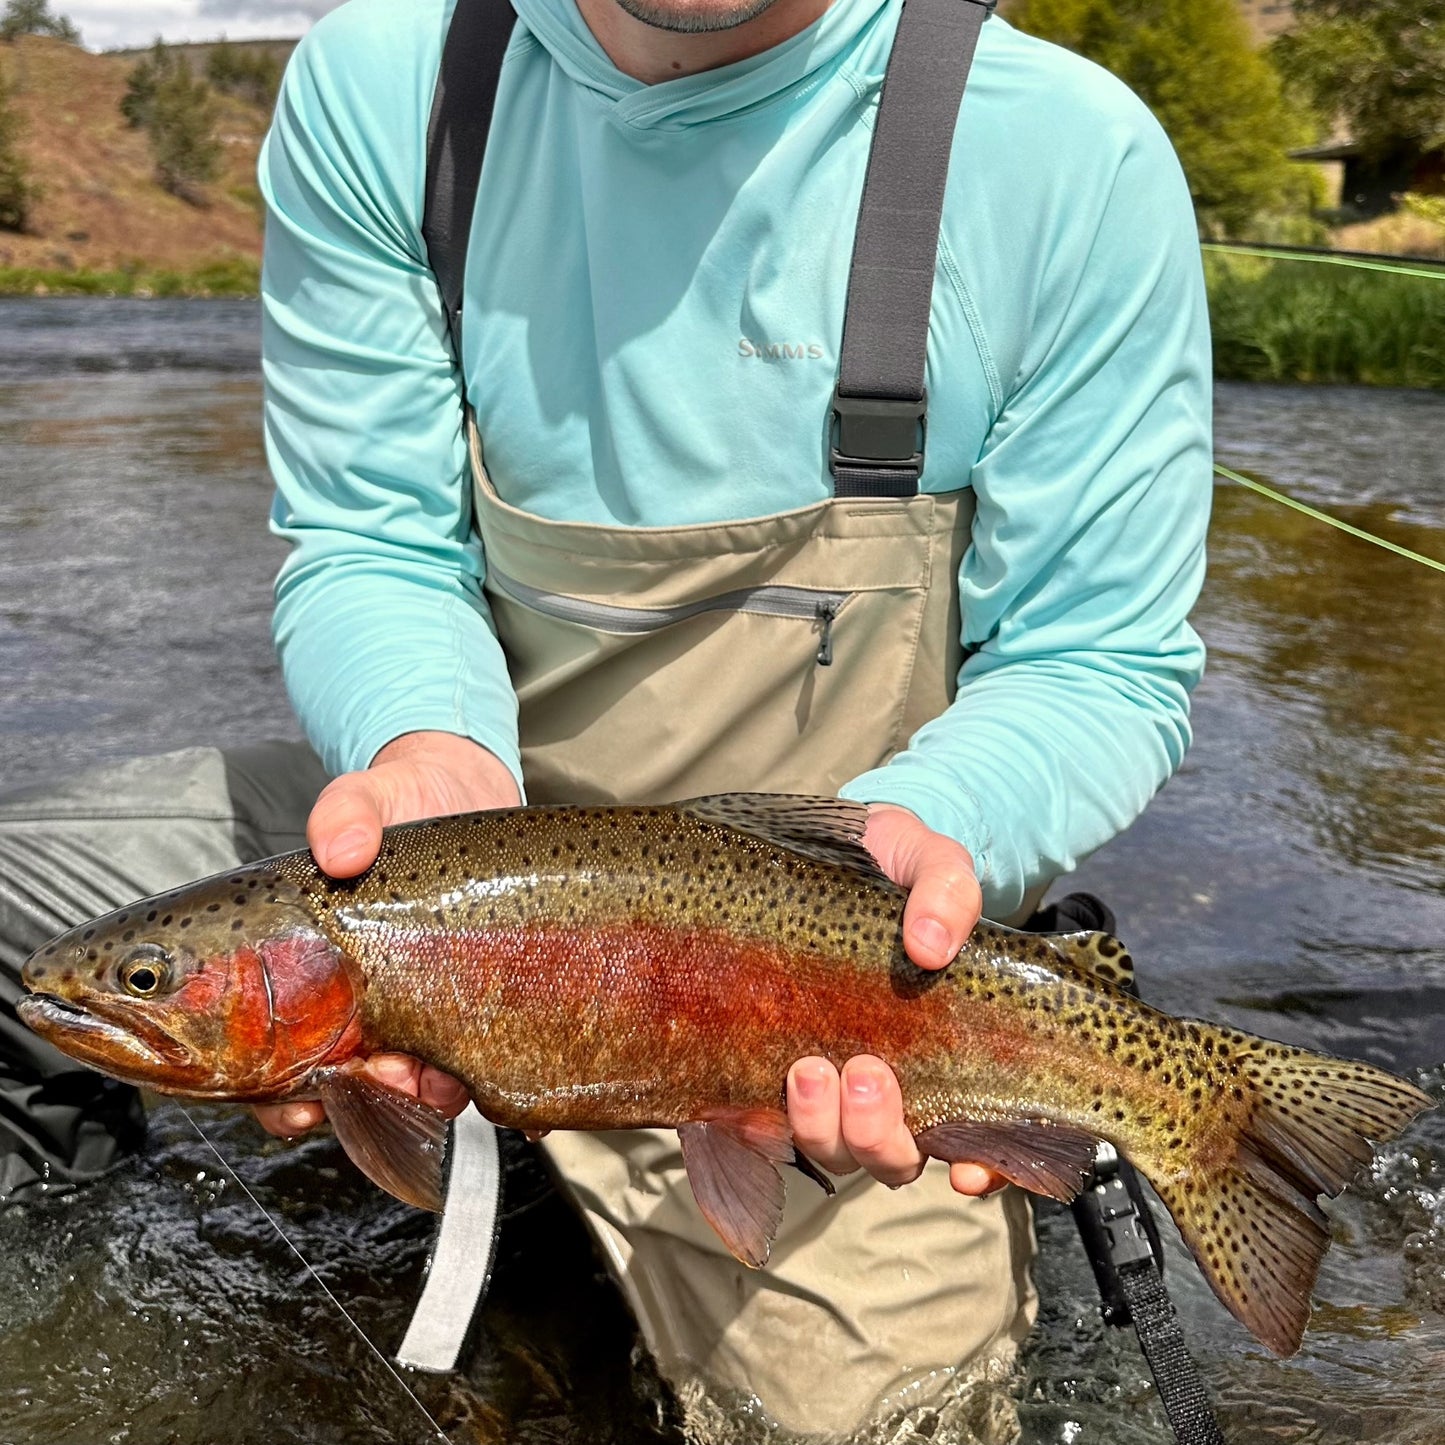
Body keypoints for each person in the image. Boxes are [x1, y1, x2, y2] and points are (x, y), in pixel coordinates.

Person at [0, 0, 1211, 1434]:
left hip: (839, 928)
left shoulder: (1061, 155)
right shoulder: (387, 90)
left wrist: (938, 833)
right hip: (445, 839)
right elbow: (374, 542)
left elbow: (1096, 657)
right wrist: (425, 744)